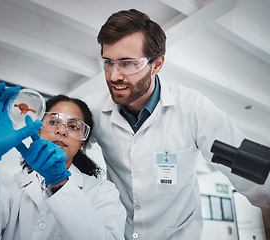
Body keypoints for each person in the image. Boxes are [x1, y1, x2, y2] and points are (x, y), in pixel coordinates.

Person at [85, 9, 270, 240]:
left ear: (157, 64)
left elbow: (263, 183)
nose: (114, 76)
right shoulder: (92, 110)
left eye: (128, 63)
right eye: (108, 62)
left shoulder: (194, 109)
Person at [0, 82, 126, 240]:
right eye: (53, 122)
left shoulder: (102, 192)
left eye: (73, 126)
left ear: (83, 142)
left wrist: (60, 183)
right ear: (38, 128)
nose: (62, 131)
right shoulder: (14, 189)